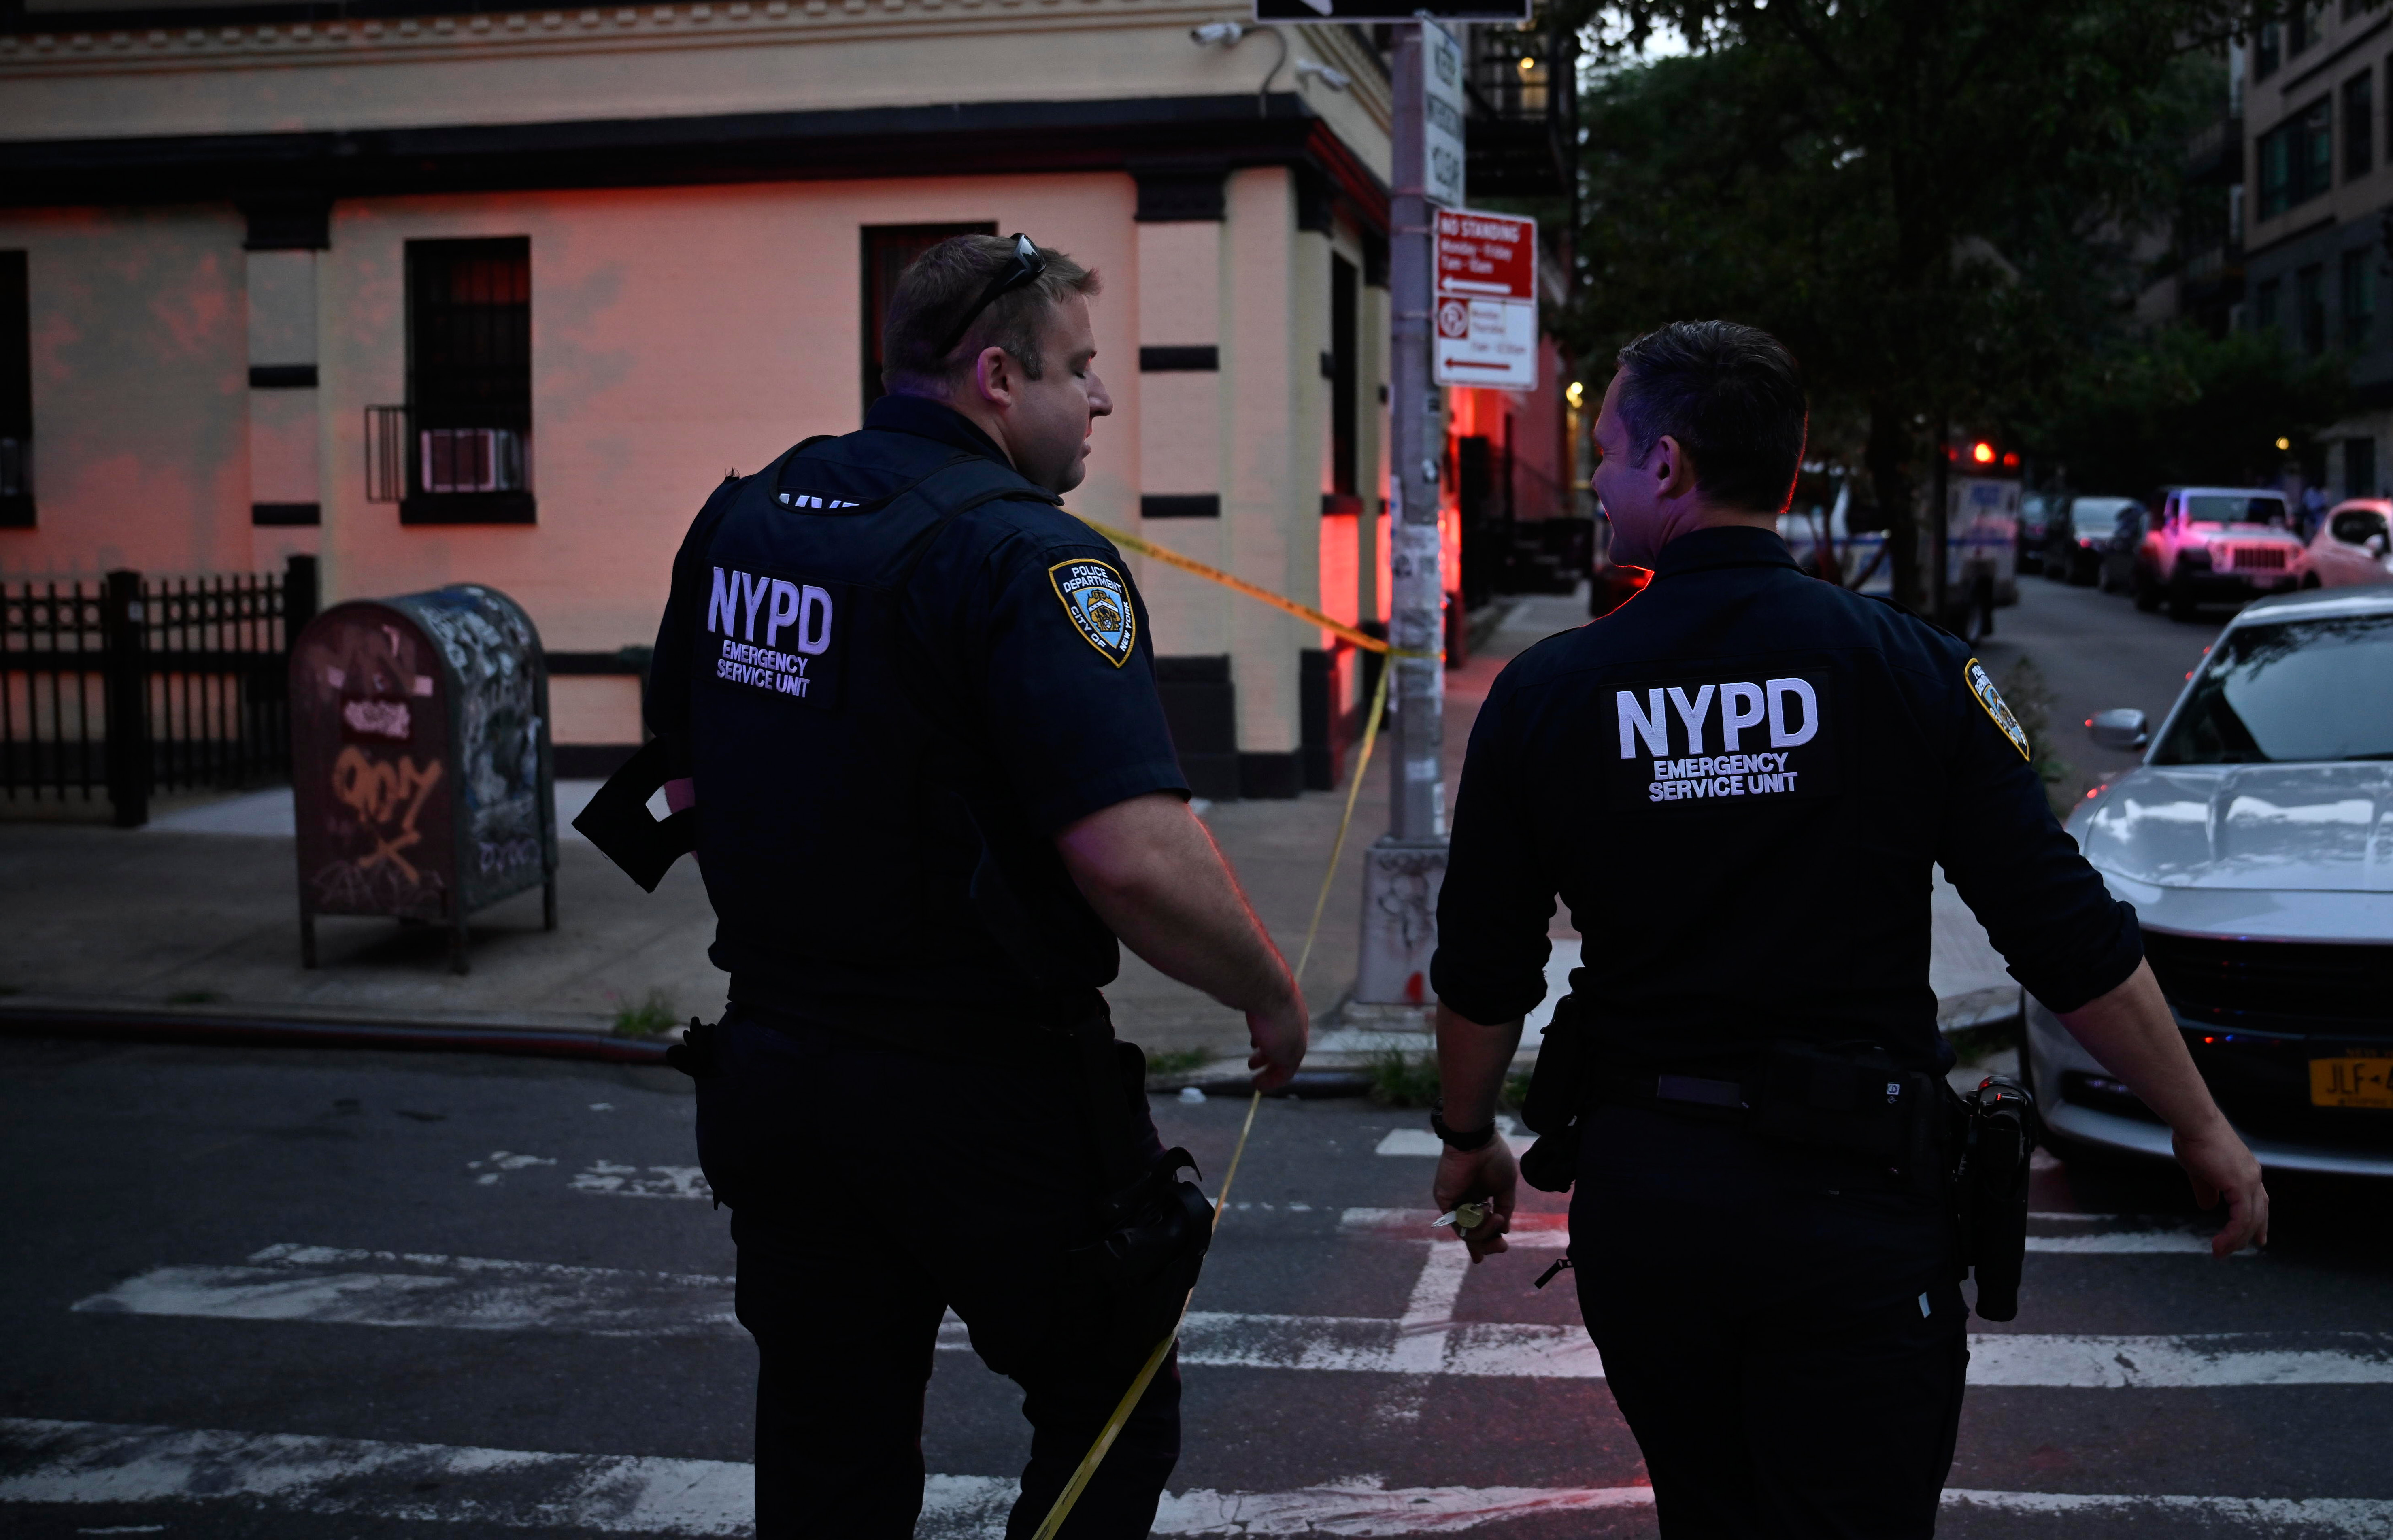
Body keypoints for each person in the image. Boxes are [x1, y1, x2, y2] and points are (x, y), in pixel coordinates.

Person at [1423, 320, 2268, 1539]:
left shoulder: (1548, 695)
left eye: (1605, 451)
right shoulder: (1908, 668)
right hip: (1857, 1205)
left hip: (1656, 1201)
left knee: (1710, 1513)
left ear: (1667, 465)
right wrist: (2200, 1123)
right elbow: (2060, 926)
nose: (1595, 477)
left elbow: (1484, 962)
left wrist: (1468, 1137)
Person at [642, 232, 1310, 1538]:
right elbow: (1131, 853)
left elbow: (681, 769)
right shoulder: (1027, 557)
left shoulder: (747, 516)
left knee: (829, 1445)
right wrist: (1269, 992)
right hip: (980, 1085)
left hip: (776, 1069)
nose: (1101, 398)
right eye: (1081, 368)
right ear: (998, 377)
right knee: (1111, 1404)